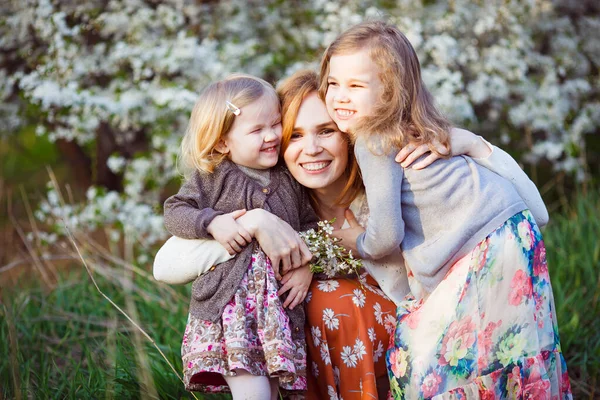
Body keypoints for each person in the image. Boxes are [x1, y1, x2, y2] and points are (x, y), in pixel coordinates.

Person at [155, 68, 552, 399]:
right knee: (321, 302)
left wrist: (474, 145)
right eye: (294, 134)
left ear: (348, 134)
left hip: (429, 333)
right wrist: (258, 223)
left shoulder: (390, 185)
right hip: (314, 349)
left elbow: (538, 213)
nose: (310, 148)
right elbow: (165, 265)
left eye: (325, 131)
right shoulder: (276, 197)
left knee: (333, 301)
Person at [321, 20, 572, 398]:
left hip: (484, 246)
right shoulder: (421, 128)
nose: (340, 96)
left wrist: (355, 240)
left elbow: (387, 236)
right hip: (515, 233)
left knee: (431, 359)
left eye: (356, 86)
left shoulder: (372, 138)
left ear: (390, 92)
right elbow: (536, 212)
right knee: (509, 354)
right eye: (333, 84)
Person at [162, 73, 318, 400]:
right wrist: (212, 223)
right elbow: (175, 210)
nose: (272, 135)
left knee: (273, 392)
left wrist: (306, 267)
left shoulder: (289, 179)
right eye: (257, 130)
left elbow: (308, 225)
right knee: (253, 393)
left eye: (275, 124)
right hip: (232, 310)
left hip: (276, 312)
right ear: (222, 142)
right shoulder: (212, 178)